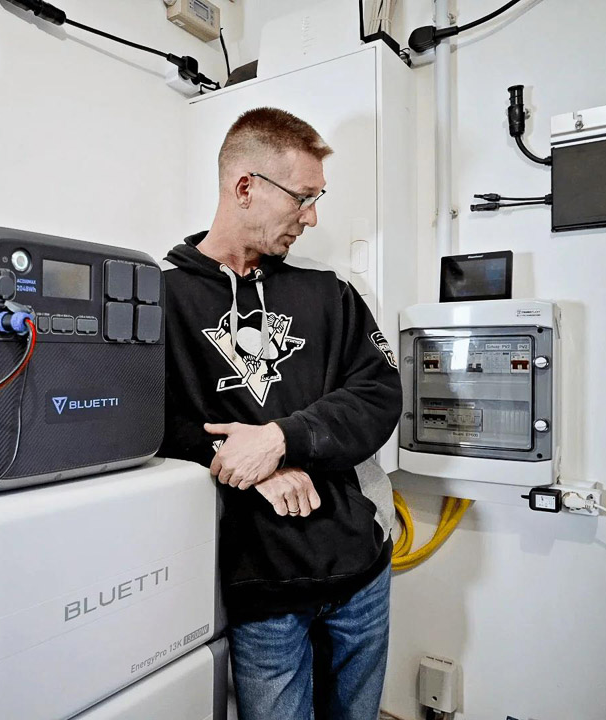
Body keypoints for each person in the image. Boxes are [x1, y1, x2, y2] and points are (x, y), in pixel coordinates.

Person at [158, 107, 402, 720]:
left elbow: (378, 394)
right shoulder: (159, 295)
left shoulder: (329, 293)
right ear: (245, 188)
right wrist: (236, 458)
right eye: (303, 198)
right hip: (262, 589)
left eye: (318, 199)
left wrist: (280, 440)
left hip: (359, 570)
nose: (312, 217)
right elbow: (146, 424)